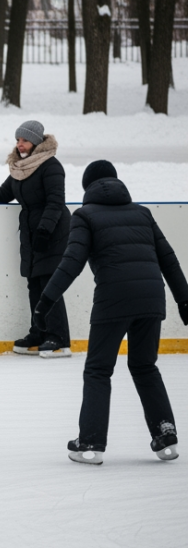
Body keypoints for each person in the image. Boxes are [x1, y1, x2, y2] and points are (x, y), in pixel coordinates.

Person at [36, 161, 188, 465]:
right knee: (145, 367)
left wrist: (45, 303)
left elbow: (71, 262)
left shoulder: (85, 215)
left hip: (113, 300)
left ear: (87, 188)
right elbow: (169, 260)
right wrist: (185, 304)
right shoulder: (142, 213)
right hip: (151, 300)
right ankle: (165, 435)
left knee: (98, 370)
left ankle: (91, 442)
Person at [0, 120, 72, 358]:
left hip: (52, 233)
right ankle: (39, 331)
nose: (20, 144)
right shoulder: (20, 168)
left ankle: (58, 338)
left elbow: (56, 203)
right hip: (31, 233)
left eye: (24, 140)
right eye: (17, 140)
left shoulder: (51, 166)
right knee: (34, 285)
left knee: (49, 285)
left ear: (36, 141)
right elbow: (3, 194)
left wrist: (45, 232)